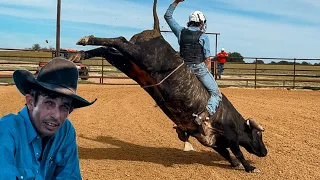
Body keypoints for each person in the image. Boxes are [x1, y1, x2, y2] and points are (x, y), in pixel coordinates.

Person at [0, 57, 97, 179]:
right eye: (49, 103)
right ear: (30, 102)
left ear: (70, 111)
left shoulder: (65, 131)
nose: (56, 115)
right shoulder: (6, 131)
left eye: (64, 107)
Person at [164, 0, 222, 123]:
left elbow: (167, 16)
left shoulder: (180, 31)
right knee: (216, 94)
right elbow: (207, 58)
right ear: (200, 23)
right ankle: (205, 113)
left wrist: (176, 1)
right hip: (199, 68)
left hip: (183, 68)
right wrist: (208, 72)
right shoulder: (203, 36)